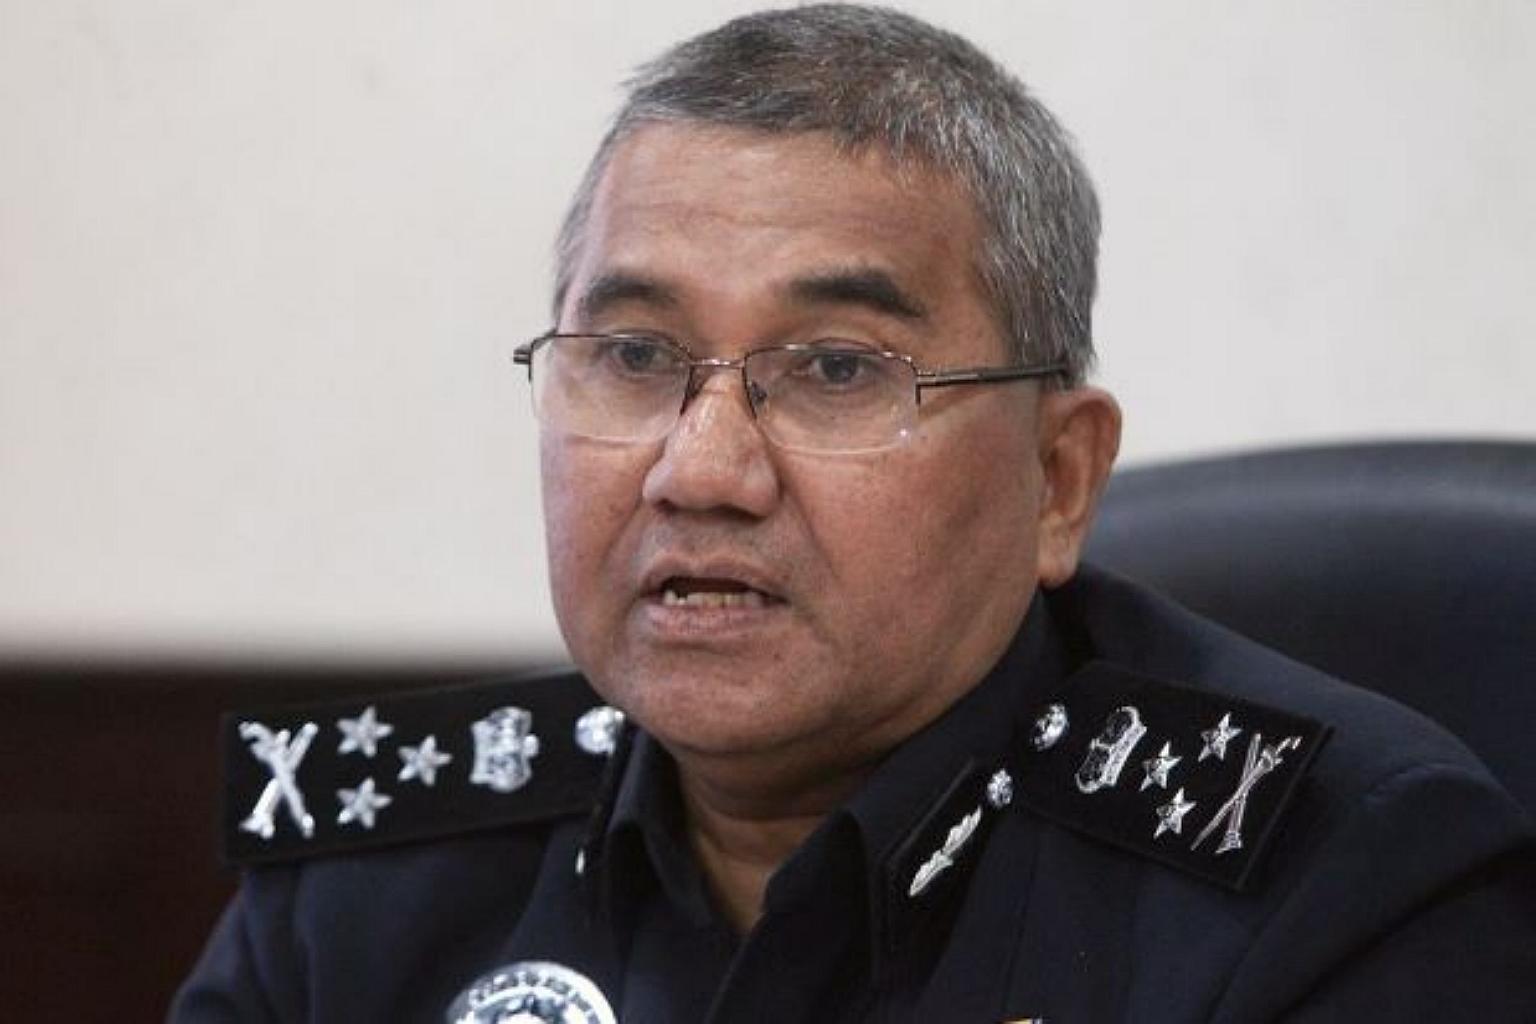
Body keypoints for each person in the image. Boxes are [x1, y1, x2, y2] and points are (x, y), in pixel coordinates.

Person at [172, 5, 1536, 1021]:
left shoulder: (1339, 885)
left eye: (835, 370)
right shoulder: (373, 880)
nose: (702, 469)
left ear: (1058, 479)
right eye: (635, 356)